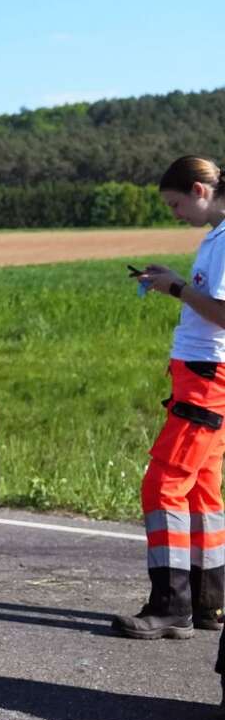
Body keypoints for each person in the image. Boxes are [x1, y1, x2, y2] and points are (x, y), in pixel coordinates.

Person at [120, 157, 225, 650]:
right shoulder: (217, 235)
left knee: (162, 485)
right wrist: (176, 282)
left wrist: (177, 288)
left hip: (206, 381)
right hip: (205, 378)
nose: (176, 213)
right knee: (203, 491)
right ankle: (210, 600)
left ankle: (171, 605)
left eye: (178, 203)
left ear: (202, 190)